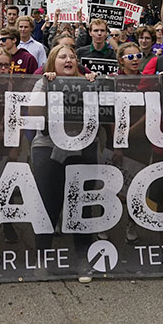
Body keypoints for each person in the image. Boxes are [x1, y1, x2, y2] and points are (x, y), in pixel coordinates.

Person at [30, 44, 100, 283]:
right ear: (52, 62)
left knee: (82, 205)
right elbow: (33, 111)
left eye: (72, 56)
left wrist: (93, 85)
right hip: (48, 148)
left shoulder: (88, 81)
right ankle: (42, 259)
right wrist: (48, 87)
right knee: (47, 205)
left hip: (82, 147)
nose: (68, 59)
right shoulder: (44, 82)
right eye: (62, 57)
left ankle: (83, 261)